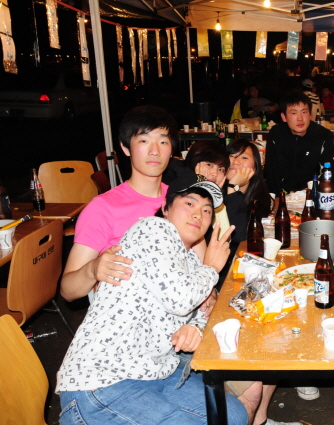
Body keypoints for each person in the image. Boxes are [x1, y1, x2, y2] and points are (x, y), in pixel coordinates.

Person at [56, 174, 259, 425]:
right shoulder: (152, 229)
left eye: (207, 210)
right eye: (189, 203)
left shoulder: (190, 259)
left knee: (234, 416)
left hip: (155, 372)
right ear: (165, 208)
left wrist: (195, 327)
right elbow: (181, 299)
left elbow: (201, 312)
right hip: (102, 383)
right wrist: (211, 269)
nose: (198, 214)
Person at [60, 105, 193, 304]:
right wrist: (93, 269)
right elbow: (68, 290)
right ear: (125, 148)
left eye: (163, 141)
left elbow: (198, 263)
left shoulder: (183, 200)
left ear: (171, 149)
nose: (155, 151)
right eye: (144, 140)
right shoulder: (103, 208)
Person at [265, 90, 334, 193]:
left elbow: (329, 172)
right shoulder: (276, 134)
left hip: (314, 193)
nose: (300, 118)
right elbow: (271, 171)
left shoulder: (323, 135)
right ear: (284, 117)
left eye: (304, 112)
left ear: (310, 114)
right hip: (283, 194)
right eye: (294, 113)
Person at [225, 138, 273, 245]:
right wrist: (232, 187)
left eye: (244, 157)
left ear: (255, 168)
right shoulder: (215, 195)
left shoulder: (260, 198)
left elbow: (241, 237)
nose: (235, 162)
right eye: (231, 156)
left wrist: (232, 187)